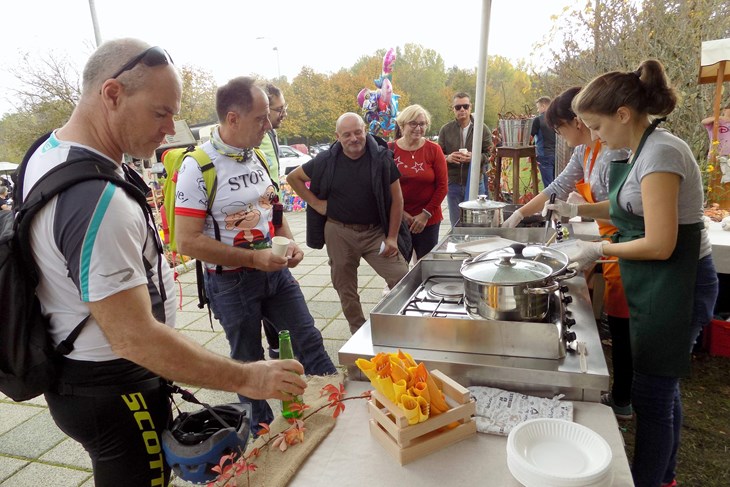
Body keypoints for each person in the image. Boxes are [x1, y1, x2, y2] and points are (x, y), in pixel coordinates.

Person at [20, 39, 306, 487]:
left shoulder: (47, 152)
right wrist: (248, 376)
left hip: (76, 375)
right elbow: (135, 338)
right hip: (113, 386)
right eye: (160, 113)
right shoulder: (96, 200)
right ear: (112, 94)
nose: (171, 130)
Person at [544, 60, 718, 487]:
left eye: (597, 127)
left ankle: (649, 479)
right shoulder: (638, 151)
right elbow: (627, 204)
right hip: (659, 281)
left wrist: (597, 249)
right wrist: (577, 209)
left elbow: (661, 243)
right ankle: (667, 477)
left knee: (652, 396)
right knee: (663, 387)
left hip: (680, 282)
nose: (596, 137)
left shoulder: (662, 152)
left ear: (623, 114)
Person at [174, 76, 336, 434]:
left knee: (307, 340)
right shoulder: (197, 165)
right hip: (231, 283)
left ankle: (336, 408)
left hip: (274, 273)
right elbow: (186, 242)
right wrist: (252, 259)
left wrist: (288, 241)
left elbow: (273, 209)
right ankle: (262, 439)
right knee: (248, 363)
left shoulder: (258, 154)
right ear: (233, 118)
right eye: (260, 118)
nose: (268, 125)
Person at [503, 87, 633, 419]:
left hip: (625, 240)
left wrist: (584, 208)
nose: (559, 135)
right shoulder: (582, 153)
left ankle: (623, 400)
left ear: (577, 121)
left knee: (623, 325)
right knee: (617, 321)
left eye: (560, 128)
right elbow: (555, 188)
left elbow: (626, 208)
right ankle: (624, 393)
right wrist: (519, 214)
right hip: (605, 238)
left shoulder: (612, 152)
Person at [287, 113, 410, 334]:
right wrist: (316, 204)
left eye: (357, 132)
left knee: (401, 276)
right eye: (347, 134)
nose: (354, 138)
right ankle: (358, 330)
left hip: (375, 233)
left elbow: (397, 199)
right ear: (338, 136)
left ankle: (400, 326)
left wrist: (392, 237)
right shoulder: (326, 160)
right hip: (339, 232)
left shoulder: (381, 158)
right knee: (345, 288)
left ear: (365, 130)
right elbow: (293, 178)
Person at [391, 105, 448, 260]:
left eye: (422, 124)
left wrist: (425, 215)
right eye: (413, 123)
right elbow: (382, 188)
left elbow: (443, 186)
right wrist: (401, 214)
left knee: (426, 267)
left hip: (428, 221)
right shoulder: (389, 150)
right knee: (398, 269)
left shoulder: (434, 150)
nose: (418, 128)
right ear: (402, 125)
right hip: (398, 221)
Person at [258, 82, 288, 359]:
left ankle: (277, 343)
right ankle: (275, 345)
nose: (284, 114)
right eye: (280, 109)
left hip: (271, 218)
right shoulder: (258, 140)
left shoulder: (270, 136)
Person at [438, 92, 491, 227]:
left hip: (475, 182)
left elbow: (490, 154)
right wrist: (448, 158)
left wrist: (475, 157)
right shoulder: (446, 130)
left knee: (477, 224)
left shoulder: (482, 129)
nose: (462, 110)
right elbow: (438, 156)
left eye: (465, 106)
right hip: (453, 182)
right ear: (453, 109)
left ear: (470, 107)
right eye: (458, 107)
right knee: (456, 224)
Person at [531, 96, 557, 187]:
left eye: (538, 107)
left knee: (549, 185)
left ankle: (551, 201)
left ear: (543, 106)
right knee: (557, 183)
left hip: (544, 155)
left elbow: (530, 137)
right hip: (557, 155)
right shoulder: (556, 119)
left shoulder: (538, 120)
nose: (538, 110)